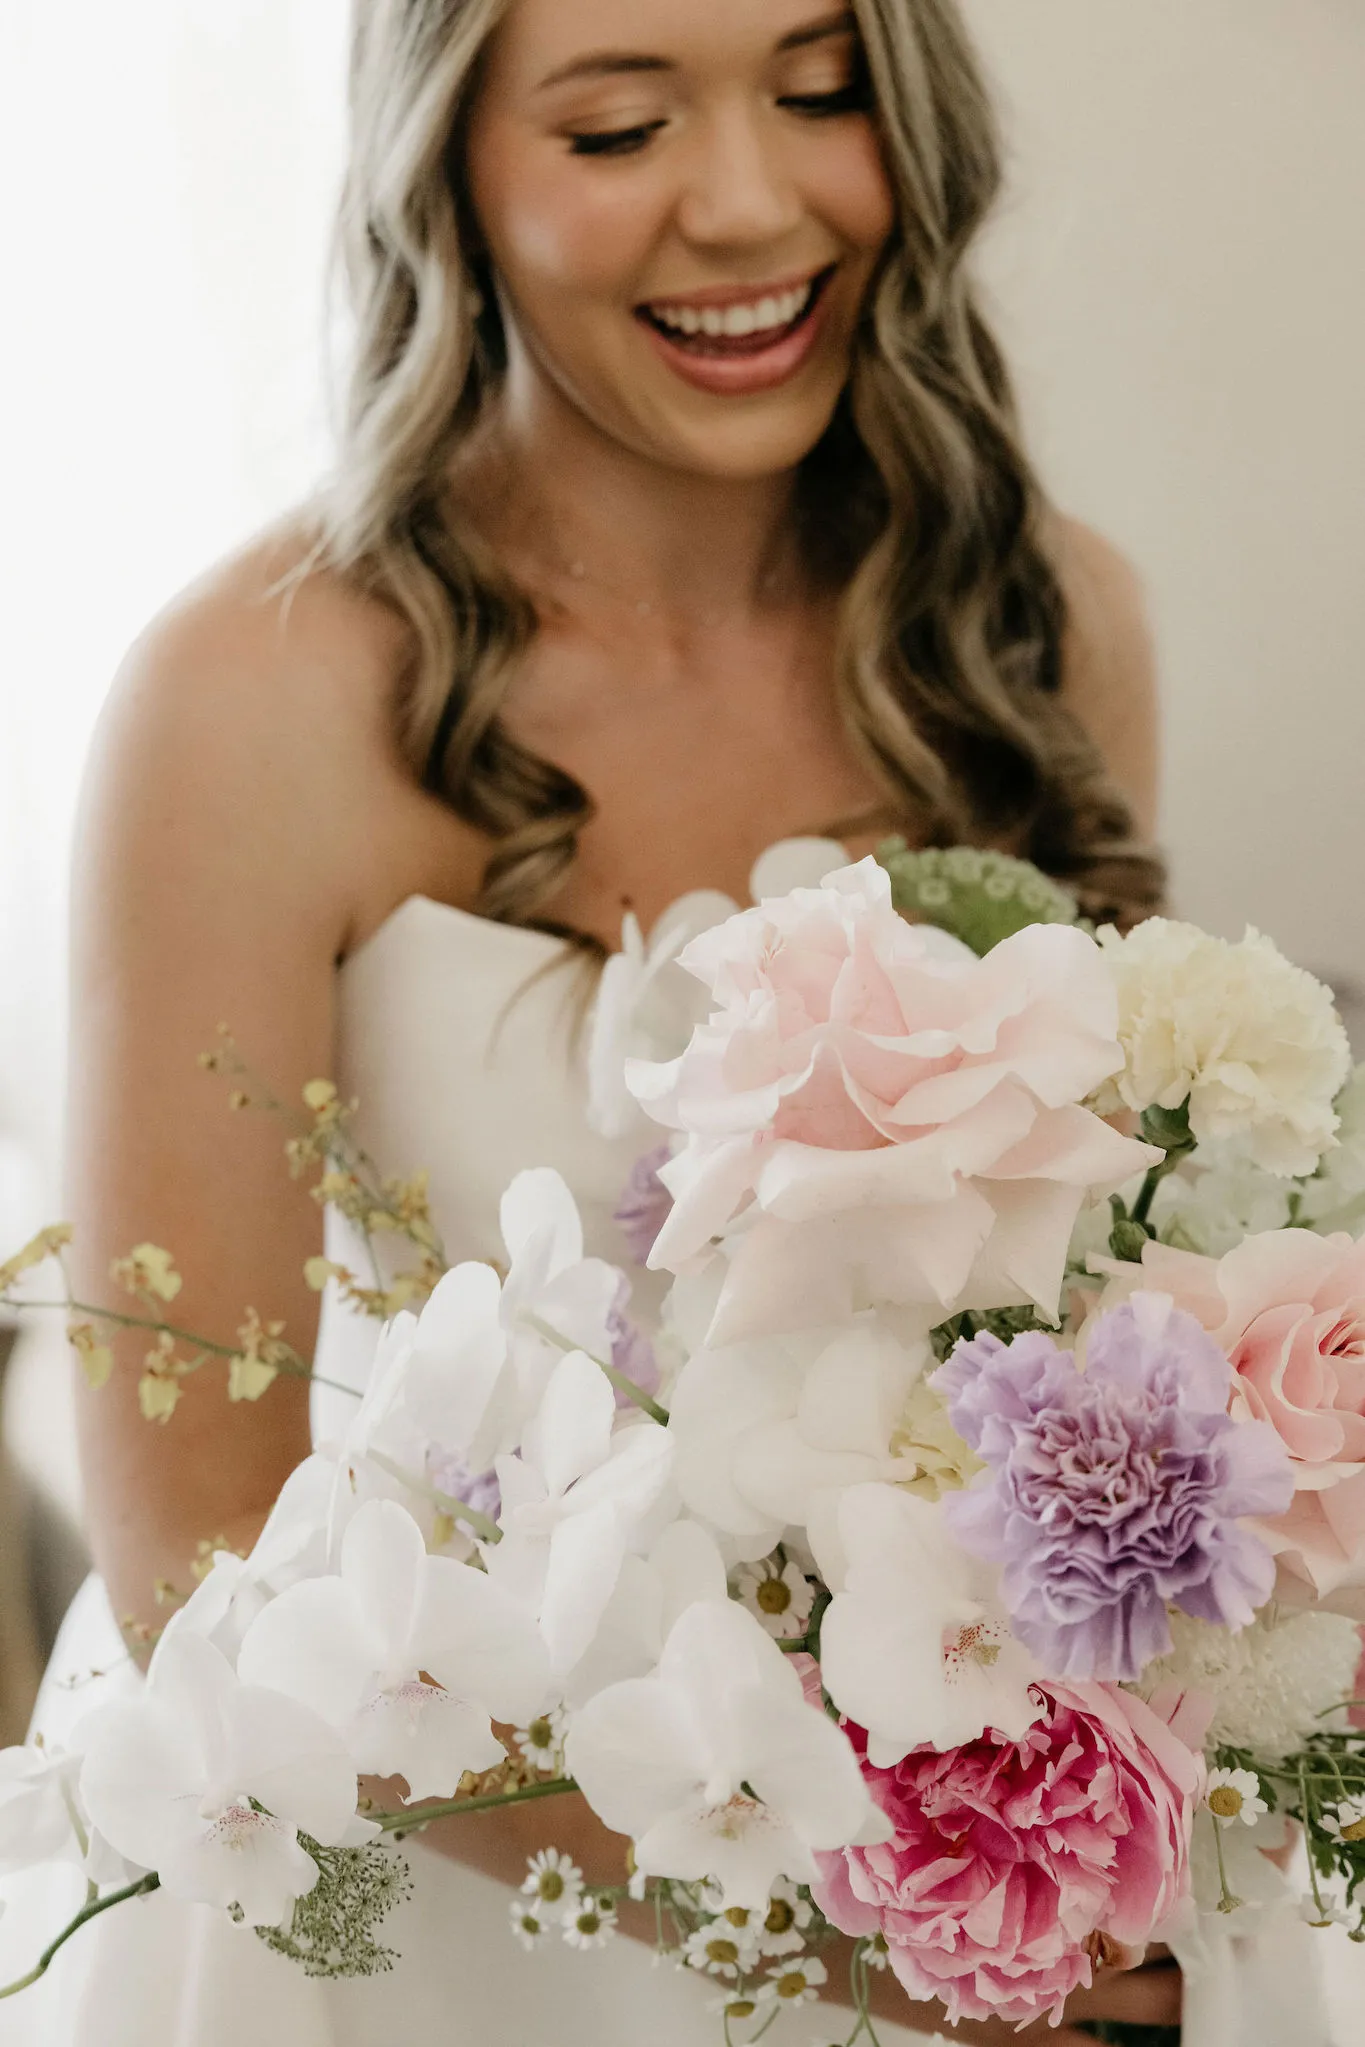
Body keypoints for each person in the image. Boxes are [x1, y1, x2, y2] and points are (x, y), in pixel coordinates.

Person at [7, 0, 1210, 2040]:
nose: (746, 205)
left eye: (821, 94)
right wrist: (852, 1952)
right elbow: (195, 1558)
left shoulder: (1034, 634)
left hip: (957, 1858)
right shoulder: (248, 699)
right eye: (618, 125)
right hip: (409, 1892)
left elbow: (1088, 1358)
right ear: (446, 177)